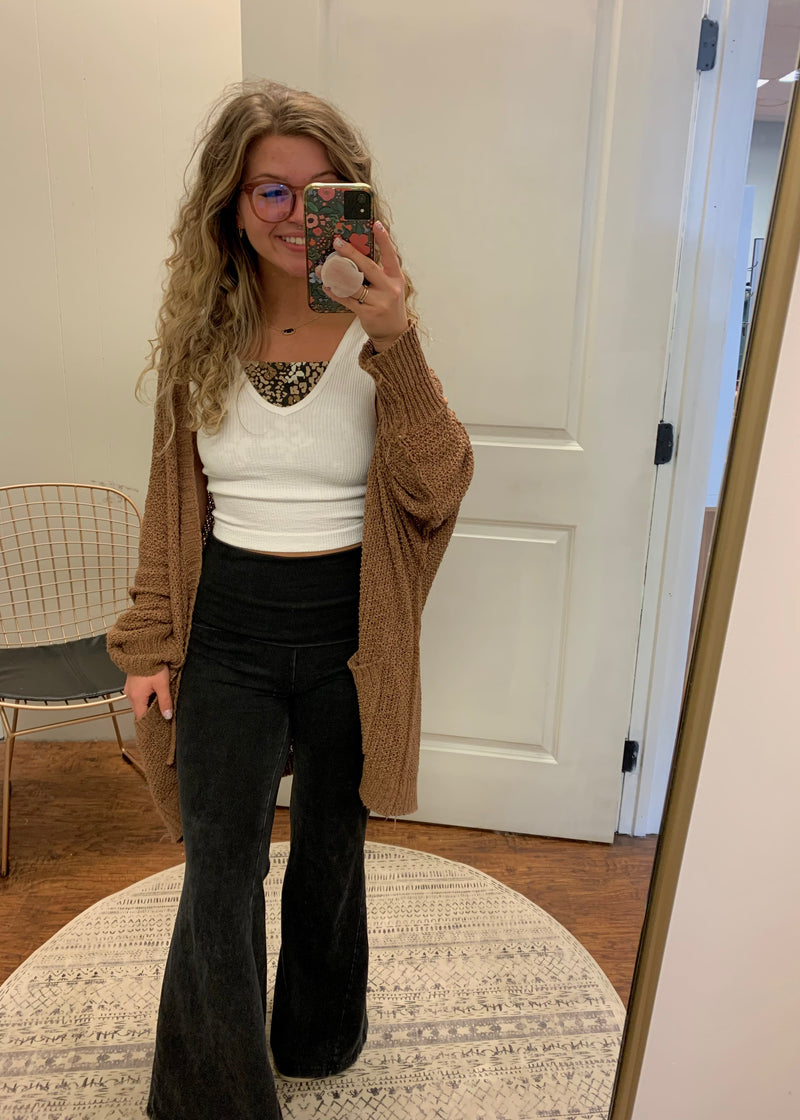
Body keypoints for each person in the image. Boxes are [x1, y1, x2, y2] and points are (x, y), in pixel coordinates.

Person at [106, 78, 473, 1120]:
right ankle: (212, 1097)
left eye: (322, 192)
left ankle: (316, 1035)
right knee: (220, 869)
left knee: (329, 850)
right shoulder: (200, 335)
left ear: (353, 202)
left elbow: (437, 486)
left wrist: (395, 338)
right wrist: (149, 641)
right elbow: (170, 502)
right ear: (230, 204)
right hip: (225, 631)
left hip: (351, 635)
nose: (293, 215)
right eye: (272, 190)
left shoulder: (378, 330)